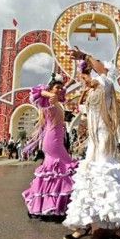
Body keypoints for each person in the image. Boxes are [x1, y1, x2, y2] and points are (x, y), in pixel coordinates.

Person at [63, 48, 120, 239]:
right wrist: (82, 129)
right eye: (84, 73)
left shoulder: (105, 84)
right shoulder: (89, 92)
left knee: (106, 181)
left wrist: (86, 56)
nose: (85, 75)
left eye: (89, 71)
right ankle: (90, 225)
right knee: (88, 181)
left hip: (104, 140)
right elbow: (86, 116)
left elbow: (103, 71)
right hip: (93, 142)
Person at [22, 74, 77, 218]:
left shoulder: (56, 100)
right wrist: (51, 92)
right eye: (57, 88)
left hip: (54, 140)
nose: (60, 90)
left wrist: (67, 83)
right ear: (50, 89)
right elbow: (37, 91)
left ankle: (46, 205)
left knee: (52, 172)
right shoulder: (48, 100)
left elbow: (63, 91)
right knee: (64, 167)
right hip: (52, 141)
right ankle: (55, 206)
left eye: (61, 88)